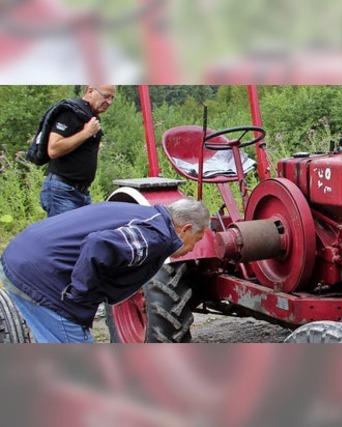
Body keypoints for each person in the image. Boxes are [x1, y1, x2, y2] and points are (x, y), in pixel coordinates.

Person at [0, 198, 209, 343]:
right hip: (40, 277)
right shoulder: (156, 236)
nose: (192, 249)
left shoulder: (146, 215)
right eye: (196, 240)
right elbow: (98, 244)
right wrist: (79, 297)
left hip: (19, 259)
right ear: (186, 229)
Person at [40, 85, 116, 217]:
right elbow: (53, 149)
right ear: (90, 91)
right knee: (65, 236)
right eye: (106, 96)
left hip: (81, 192)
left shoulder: (91, 115)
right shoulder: (70, 112)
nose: (109, 102)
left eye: (112, 98)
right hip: (62, 190)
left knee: (81, 234)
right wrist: (86, 133)